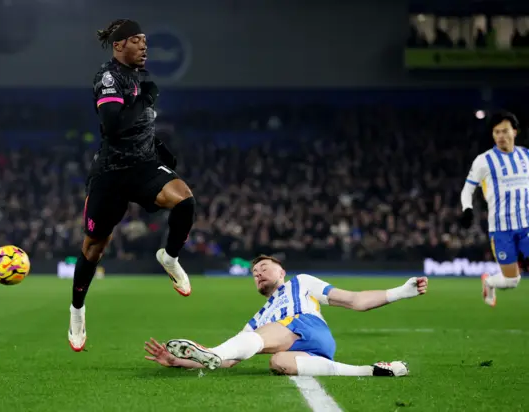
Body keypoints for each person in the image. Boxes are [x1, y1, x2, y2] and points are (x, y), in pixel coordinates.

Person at [68, 19, 195, 352]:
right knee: (94, 247)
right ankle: (77, 310)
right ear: (119, 45)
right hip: (111, 174)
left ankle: (169, 257)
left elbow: (140, 127)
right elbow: (113, 125)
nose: (144, 47)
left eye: (145, 41)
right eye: (137, 41)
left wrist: (159, 149)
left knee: (185, 200)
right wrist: (144, 100)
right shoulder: (108, 77)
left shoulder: (141, 78)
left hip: (142, 167)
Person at [144, 255, 428, 377]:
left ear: (281, 271)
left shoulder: (300, 283)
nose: (258, 273)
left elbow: (354, 300)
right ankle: (371, 370)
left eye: (264, 267)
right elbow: (229, 362)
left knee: (255, 337)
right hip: (301, 350)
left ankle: (213, 352)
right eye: (254, 273)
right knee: (277, 363)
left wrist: (402, 292)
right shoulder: (258, 318)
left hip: (306, 326)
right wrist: (177, 361)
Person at [460, 111, 525, 307]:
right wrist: (467, 209)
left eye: (505, 131)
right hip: (501, 230)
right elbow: (467, 189)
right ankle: (489, 281)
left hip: (526, 226)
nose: (501, 136)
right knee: (512, 281)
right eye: (496, 132)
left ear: (515, 132)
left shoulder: (526, 156)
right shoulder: (483, 161)